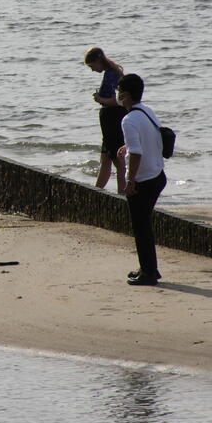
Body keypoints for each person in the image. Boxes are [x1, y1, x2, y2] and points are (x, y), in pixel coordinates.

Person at [116, 73, 167, 286]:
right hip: (158, 174)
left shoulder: (128, 119)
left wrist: (130, 181)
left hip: (144, 180)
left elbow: (136, 153)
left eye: (119, 92)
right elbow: (150, 139)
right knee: (144, 225)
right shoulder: (147, 111)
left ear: (126, 95)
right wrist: (127, 147)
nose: (117, 95)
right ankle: (148, 268)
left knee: (141, 227)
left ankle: (148, 273)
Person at [84, 47, 127, 193]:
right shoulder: (113, 72)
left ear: (98, 61)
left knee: (117, 159)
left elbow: (118, 101)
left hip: (113, 118)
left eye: (91, 66)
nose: (92, 70)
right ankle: (97, 192)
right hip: (110, 119)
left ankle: (122, 193)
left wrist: (99, 99)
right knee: (105, 159)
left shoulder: (111, 74)